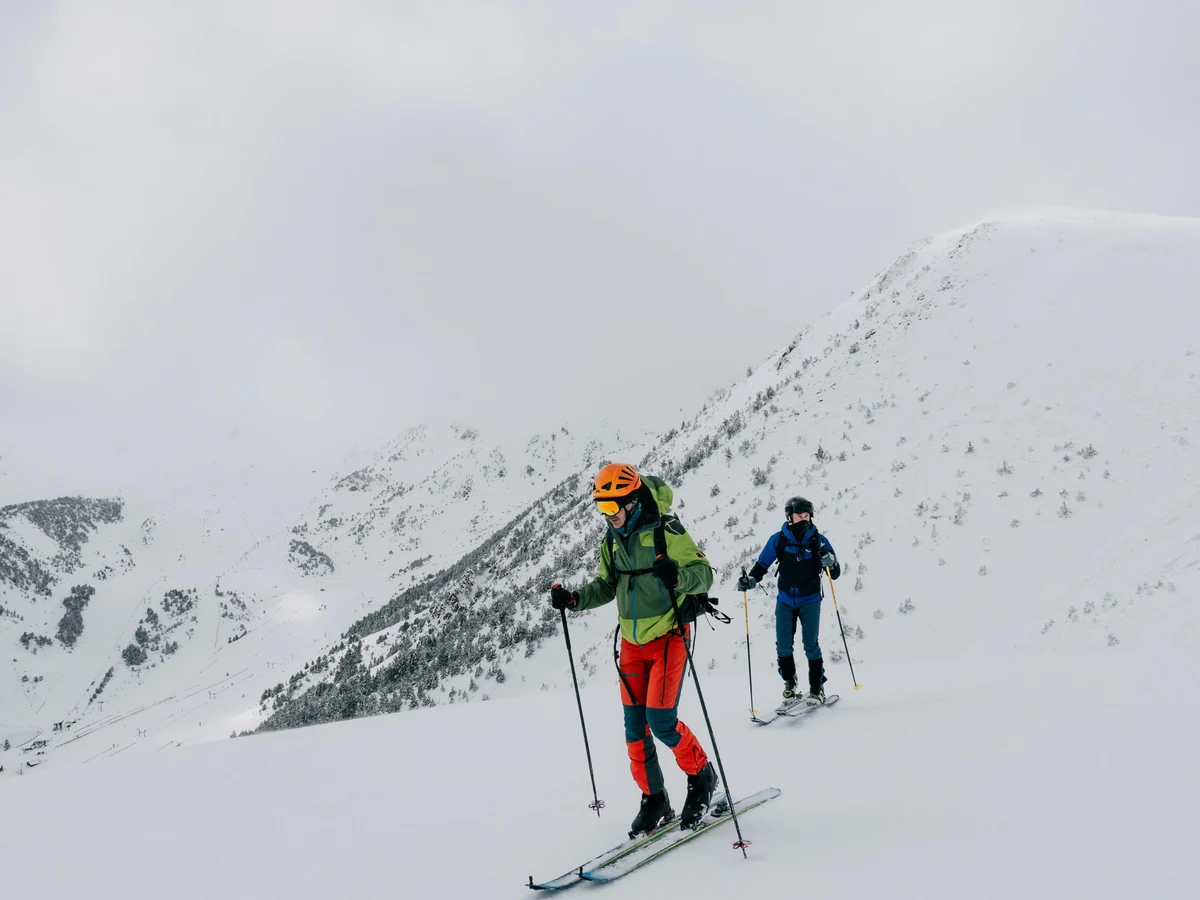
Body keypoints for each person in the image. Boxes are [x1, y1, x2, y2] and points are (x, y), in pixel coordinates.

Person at [550, 463, 717, 835]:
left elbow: (704, 573)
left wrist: (678, 576)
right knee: (634, 730)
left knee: (661, 722)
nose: (607, 515)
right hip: (631, 644)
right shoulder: (612, 540)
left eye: (612, 506)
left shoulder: (666, 530)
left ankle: (702, 775)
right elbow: (607, 585)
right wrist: (574, 599)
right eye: (601, 507)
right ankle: (654, 798)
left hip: (669, 637)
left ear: (632, 501)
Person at [737, 496, 841, 705]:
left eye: (806, 515)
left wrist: (831, 562)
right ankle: (790, 683)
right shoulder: (779, 539)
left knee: (810, 645)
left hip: (810, 600)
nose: (803, 519)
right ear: (790, 517)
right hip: (785, 600)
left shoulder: (819, 541)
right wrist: (750, 580)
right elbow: (762, 565)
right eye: (799, 516)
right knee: (783, 646)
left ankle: (817, 688)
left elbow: (835, 573)